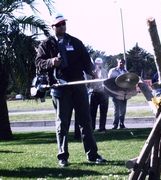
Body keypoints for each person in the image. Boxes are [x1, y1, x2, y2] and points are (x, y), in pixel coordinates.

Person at [35, 13, 106, 167]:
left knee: (86, 122)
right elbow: (39, 63)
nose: (62, 26)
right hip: (60, 88)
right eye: (59, 24)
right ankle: (63, 157)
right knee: (62, 123)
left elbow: (87, 62)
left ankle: (92, 155)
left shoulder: (75, 42)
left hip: (78, 85)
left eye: (63, 24)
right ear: (53, 27)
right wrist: (52, 62)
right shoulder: (46, 45)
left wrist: (93, 72)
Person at [88, 57, 109, 132]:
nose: (98, 65)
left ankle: (102, 127)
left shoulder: (104, 71)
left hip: (103, 93)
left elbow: (106, 81)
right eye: (97, 63)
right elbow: (89, 83)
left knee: (103, 112)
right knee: (92, 112)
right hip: (94, 93)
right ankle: (92, 127)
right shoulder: (91, 71)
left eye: (99, 63)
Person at [108, 59, 128, 129]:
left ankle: (122, 124)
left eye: (122, 62)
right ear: (118, 63)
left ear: (124, 64)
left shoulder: (126, 72)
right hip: (115, 92)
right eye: (120, 62)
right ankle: (115, 124)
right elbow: (109, 81)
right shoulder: (112, 71)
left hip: (124, 93)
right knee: (116, 109)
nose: (121, 63)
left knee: (123, 109)